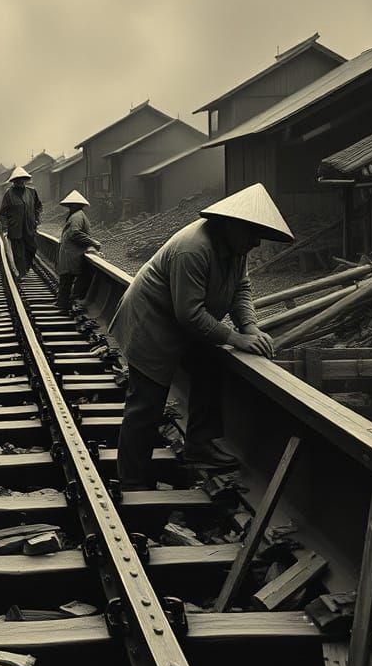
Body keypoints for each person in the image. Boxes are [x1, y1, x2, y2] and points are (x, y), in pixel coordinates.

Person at [111, 184, 292, 490]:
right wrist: (235, 338)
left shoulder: (236, 247)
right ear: (231, 224)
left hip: (178, 327)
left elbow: (241, 289)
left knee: (210, 364)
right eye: (252, 233)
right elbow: (190, 314)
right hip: (150, 325)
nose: (256, 242)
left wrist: (249, 326)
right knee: (146, 405)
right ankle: (132, 480)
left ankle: (198, 444)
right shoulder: (194, 248)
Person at [56, 190, 101, 312]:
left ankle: (63, 303)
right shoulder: (78, 216)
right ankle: (66, 303)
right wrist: (93, 242)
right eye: (70, 205)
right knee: (70, 278)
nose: (70, 207)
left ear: (78, 205)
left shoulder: (76, 216)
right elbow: (75, 233)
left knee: (66, 278)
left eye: (72, 205)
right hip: (72, 253)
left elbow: (74, 233)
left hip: (70, 252)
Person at [0, 166, 42, 279]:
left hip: (29, 227)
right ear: (13, 182)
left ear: (24, 180)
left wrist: (37, 218)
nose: (19, 182)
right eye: (17, 180)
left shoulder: (32, 192)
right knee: (18, 253)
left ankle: (26, 266)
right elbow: (3, 212)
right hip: (15, 228)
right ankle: (21, 273)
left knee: (32, 248)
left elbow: (38, 206)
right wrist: (5, 228)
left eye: (22, 180)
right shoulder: (8, 194)